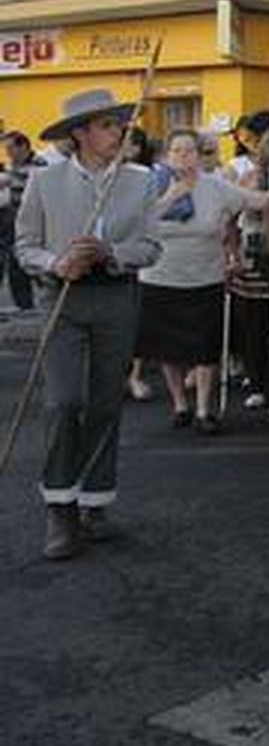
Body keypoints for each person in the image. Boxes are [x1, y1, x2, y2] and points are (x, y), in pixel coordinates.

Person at [14, 88, 161, 560]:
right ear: (80, 134)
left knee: (104, 403)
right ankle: (60, 506)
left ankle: (95, 503)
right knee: (63, 402)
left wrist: (112, 253)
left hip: (117, 299)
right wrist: (56, 263)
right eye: (108, 125)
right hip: (63, 300)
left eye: (119, 125)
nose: (119, 132)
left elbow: (152, 247)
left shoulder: (140, 180)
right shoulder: (44, 181)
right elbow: (24, 247)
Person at [136, 128, 268, 433]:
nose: (183, 156)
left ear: (199, 154)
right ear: (166, 156)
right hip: (160, 277)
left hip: (205, 278)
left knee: (206, 349)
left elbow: (256, 201)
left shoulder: (217, 187)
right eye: (177, 151)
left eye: (189, 150)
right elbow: (139, 223)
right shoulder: (149, 187)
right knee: (167, 349)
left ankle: (204, 409)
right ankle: (180, 404)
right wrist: (172, 195)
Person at [2, 130, 47, 312]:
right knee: (15, 261)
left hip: (35, 218)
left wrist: (8, 177)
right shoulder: (13, 165)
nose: (8, 153)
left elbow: (26, 181)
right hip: (14, 218)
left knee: (34, 262)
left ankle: (49, 296)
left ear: (24, 147)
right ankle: (24, 305)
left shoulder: (39, 164)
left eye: (11, 148)